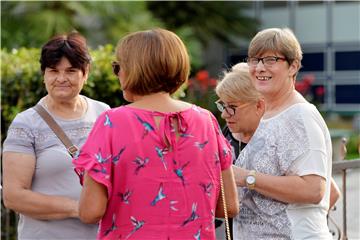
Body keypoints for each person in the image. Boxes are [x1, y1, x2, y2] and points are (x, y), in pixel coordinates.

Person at [72, 28, 239, 240]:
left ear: (134, 69)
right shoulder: (206, 120)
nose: (118, 74)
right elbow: (229, 206)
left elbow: (90, 212)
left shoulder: (111, 123)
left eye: (118, 67)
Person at [2, 32, 110, 239]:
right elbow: (14, 197)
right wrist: (80, 208)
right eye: (53, 71)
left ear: (85, 73)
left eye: (71, 71)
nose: (61, 79)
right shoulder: (26, 123)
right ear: (44, 74)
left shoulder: (103, 113)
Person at [216, 62, 341, 239]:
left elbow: (330, 192)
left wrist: (287, 225)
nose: (225, 114)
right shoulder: (227, 136)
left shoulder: (280, 136)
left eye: (232, 107)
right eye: (223, 105)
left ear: (259, 105)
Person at [232, 28, 333, 239]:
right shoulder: (268, 114)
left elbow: (314, 190)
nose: (259, 67)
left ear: (293, 66)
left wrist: (248, 178)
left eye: (270, 60)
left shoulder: (300, 116)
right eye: (254, 59)